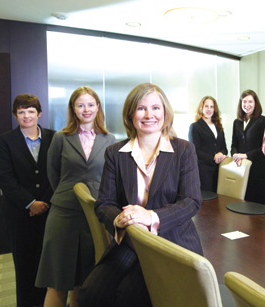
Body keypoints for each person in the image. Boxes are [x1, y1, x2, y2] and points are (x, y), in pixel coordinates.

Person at [78, 83, 203, 307]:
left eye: (156, 108)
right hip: (130, 240)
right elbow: (104, 203)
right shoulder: (115, 154)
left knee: (130, 296)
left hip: (171, 242)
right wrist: (120, 219)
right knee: (90, 294)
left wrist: (151, 216)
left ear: (165, 113)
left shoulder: (184, 150)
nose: (149, 115)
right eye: (141, 108)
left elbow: (191, 201)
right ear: (130, 114)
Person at [35, 86, 115, 307]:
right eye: (80, 105)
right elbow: (53, 174)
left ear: (98, 107)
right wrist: (69, 193)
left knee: (85, 280)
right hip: (64, 214)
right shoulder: (61, 137)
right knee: (57, 281)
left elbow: (111, 177)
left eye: (90, 104)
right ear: (73, 109)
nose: (86, 109)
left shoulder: (110, 139)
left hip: (96, 215)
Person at [0, 94, 55, 307]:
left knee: (47, 264)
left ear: (39, 114)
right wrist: (31, 203)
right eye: (21, 112)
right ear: (15, 115)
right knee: (24, 266)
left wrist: (44, 202)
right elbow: (4, 177)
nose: (26, 116)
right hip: (19, 214)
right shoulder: (6, 140)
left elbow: (57, 174)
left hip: (49, 212)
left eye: (31, 111)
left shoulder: (54, 137)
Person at [231, 89, 265, 204]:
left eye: (250, 102)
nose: (247, 105)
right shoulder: (237, 122)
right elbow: (233, 145)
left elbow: (263, 148)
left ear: (255, 103)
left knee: (257, 207)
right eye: (244, 102)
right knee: (241, 204)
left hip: (257, 169)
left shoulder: (262, 120)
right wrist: (235, 155)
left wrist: (245, 155)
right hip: (240, 168)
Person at [188, 96, 228, 192]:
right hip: (203, 171)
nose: (209, 109)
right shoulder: (195, 127)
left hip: (220, 170)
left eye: (211, 107)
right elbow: (195, 151)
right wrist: (214, 158)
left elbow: (224, 148)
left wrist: (221, 154)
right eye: (206, 106)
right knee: (207, 202)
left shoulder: (218, 126)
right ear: (201, 108)